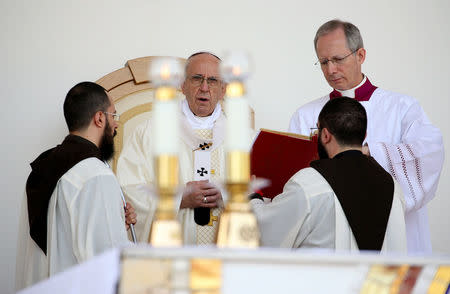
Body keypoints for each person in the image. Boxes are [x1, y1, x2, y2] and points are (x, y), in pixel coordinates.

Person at [288, 19, 444, 253]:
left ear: (360, 55)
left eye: (338, 59)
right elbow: (296, 180)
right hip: (332, 239)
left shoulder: (402, 108)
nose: (331, 70)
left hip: (394, 238)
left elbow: (429, 154)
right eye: (323, 62)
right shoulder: (306, 115)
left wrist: (367, 153)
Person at [16, 82, 136, 290]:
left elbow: (59, 236)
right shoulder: (95, 175)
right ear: (99, 118)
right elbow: (108, 262)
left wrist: (116, 221)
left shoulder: (42, 167)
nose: (116, 124)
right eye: (113, 116)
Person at [253, 97, 407, 252]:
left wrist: (252, 197)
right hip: (373, 277)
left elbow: (267, 234)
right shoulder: (392, 186)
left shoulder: (309, 183)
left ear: (325, 135)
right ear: (364, 135)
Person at [117, 52, 233, 245]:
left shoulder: (244, 139)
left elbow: (261, 198)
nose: (204, 88)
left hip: (226, 254)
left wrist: (227, 195)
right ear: (183, 85)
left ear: (224, 89)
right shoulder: (149, 133)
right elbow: (128, 192)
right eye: (197, 79)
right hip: (170, 255)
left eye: (213, 80)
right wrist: (178, 199)